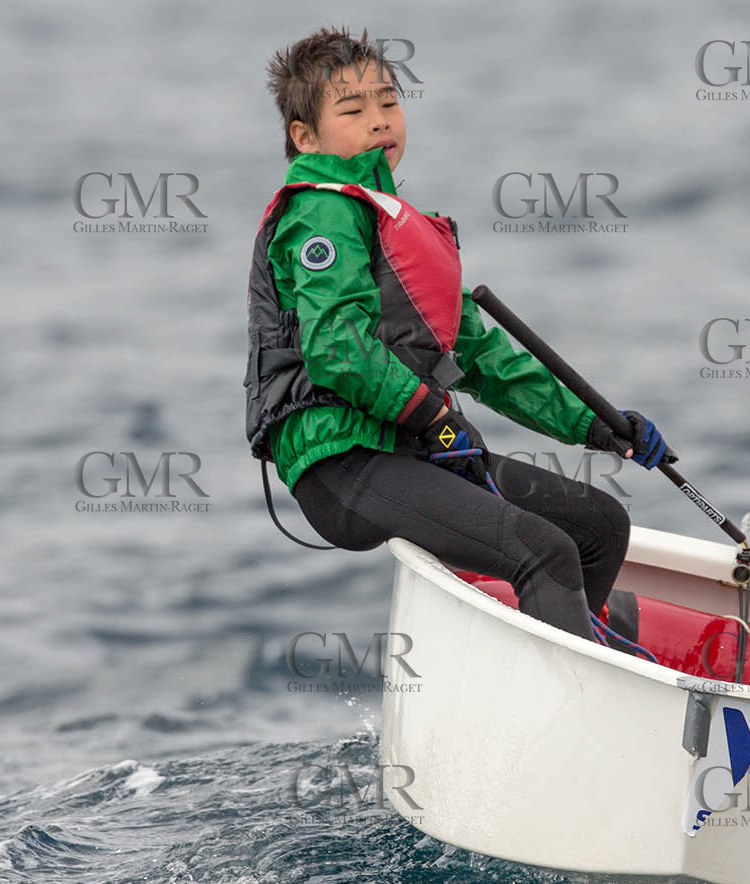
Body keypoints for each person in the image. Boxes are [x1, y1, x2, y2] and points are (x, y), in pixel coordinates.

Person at [246, 27, 673, 642]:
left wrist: (599, 424)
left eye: (389, 102)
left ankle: (574, 658)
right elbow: (338, 349)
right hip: (341, 461)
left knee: (599, 524)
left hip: (406, 445)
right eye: (354, 109)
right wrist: (433, 417)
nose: (378, 121)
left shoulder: (396, 223)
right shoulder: (322, 208)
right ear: (305, 137)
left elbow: (485, 358)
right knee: (545, 551)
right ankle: (567, 702)